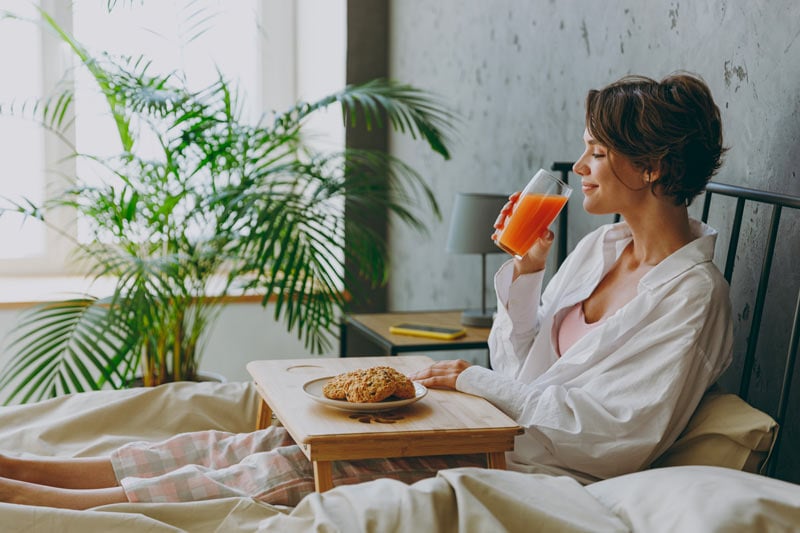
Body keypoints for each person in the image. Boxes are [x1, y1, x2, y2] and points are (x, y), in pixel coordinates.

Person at [0, 71, 732, 509]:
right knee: (267, 435)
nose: (579, 165)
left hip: (532, 464)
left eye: (598, 151)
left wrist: (474, 379)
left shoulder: (692, 297)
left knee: (285, 466)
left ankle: (53, 503)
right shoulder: (603, 247)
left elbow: (611, 436)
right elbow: (521, 369)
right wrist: (528, 277)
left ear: (653, 166)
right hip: (488, 427)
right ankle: (30, 468)